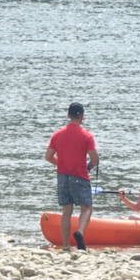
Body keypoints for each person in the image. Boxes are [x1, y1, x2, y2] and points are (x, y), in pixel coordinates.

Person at [45, 102, 99, 250]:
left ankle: (66, 246)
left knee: (66, 211)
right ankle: (80, 232)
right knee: (86, 207)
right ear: (81, 117)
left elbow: (48, 156)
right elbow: (95, 159)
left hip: (62, 176)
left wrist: (61, 164)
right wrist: (88, 168)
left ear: (68, 115)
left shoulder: (57, 134)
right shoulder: (87, 136)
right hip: (79, 175)